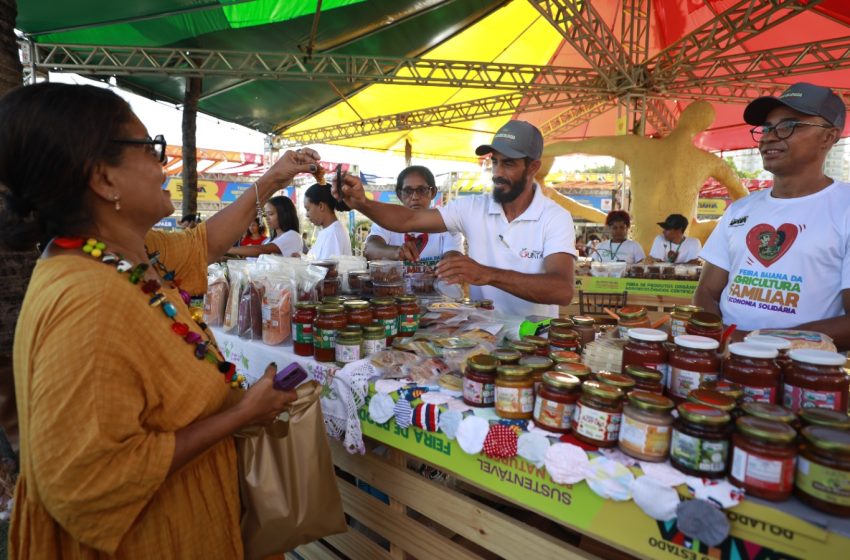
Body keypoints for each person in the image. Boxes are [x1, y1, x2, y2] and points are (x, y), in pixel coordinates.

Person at [0, 82, 325, 557]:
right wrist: (240, 415)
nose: (163, 164)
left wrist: (274, 177)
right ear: (103, 179)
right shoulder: (88, 298)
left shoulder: (123, 254)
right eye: (150, 148)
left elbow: (202, 244)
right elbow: (87, 482)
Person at [336, 120, 576, 318]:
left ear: (533, 167)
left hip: (536, 341)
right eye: (494, 162)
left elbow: (562, 290)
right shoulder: (473, 208)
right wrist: (363, 202)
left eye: (508, 164)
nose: (497, 173)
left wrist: (487, 274)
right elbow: (408, 220)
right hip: (484, 336)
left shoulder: (554, 218)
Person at [695, 82, 850, 349]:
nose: (769, 137)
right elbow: (706, 291)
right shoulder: (740, 210)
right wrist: (716, 338)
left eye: (788, 126)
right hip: (726, 361)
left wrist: (755, 343)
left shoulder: (845, 207)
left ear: (828, 137)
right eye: (767, 128)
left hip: (801, 371)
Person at [364, 165, 462, 270]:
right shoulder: (387, 219)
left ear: (433, 192)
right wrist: (397, 252)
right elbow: (370, 249)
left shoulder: (447, 221)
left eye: (422, 190)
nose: (415, 197)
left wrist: (448, 267)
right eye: (408, 191)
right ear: (399, 194)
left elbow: (453, 259)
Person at [226, 196, 301, 258]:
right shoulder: (268, 240)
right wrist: (229, 259)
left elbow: (262, 250)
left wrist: (226, 250)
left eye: (270, 214)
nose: (267, 218)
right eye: (266, 215)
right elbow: (256, 261)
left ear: (284, 214)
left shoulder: (292, 236)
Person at [304, 182, 352, 259]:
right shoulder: (329, 231)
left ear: (321, 206)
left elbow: (328, 266)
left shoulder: (333, 234)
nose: (306, 215)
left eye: (308, 209)